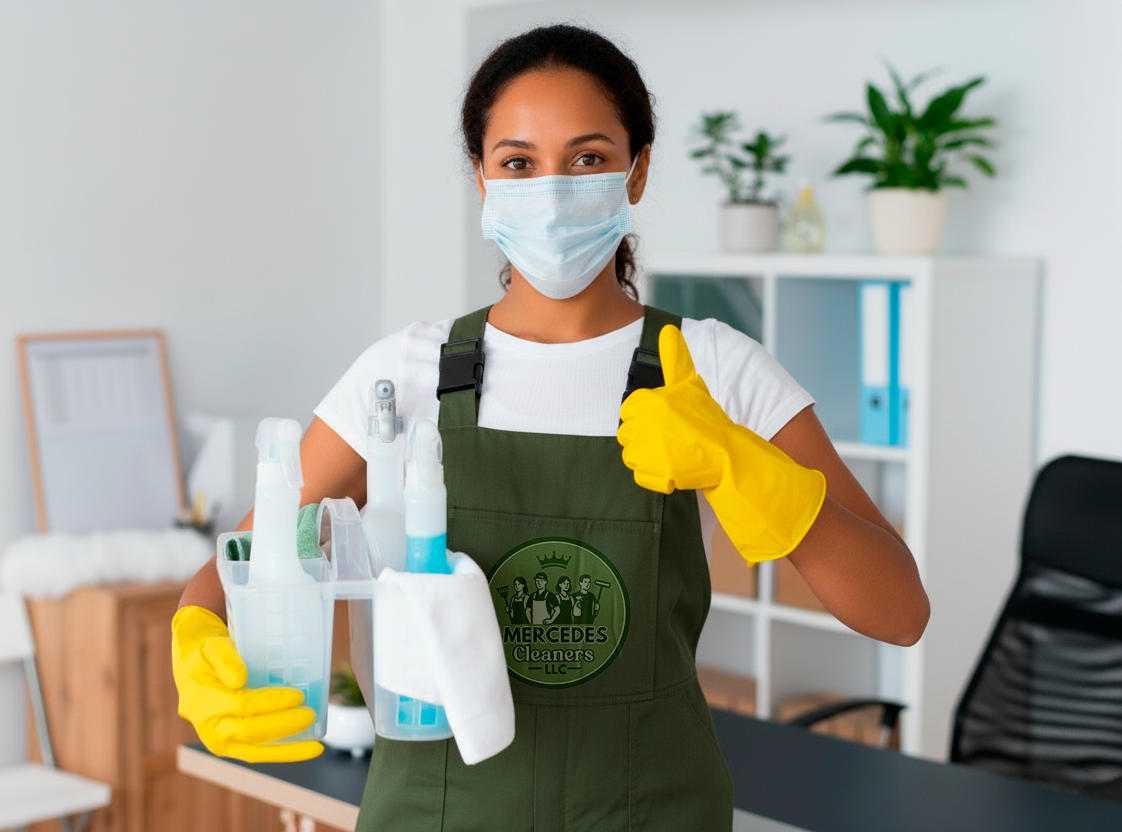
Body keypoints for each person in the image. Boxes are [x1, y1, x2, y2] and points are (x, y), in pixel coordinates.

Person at [172, 23, 929, 830]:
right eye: (520, 162)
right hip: (439, 815)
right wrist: (195, 635)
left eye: (589, 157)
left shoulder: (709, 367)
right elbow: (240, 567)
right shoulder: (406, 372)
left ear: (637, 171)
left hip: (649, 811)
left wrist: (744, 468)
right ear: (482, 178)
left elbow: (899, 612)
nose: (554, 187)